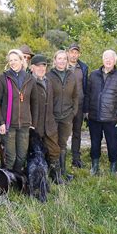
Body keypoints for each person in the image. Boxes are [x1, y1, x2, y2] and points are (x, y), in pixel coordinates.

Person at [84, 50, 117, 175]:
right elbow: (87, 94)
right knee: (95, 144)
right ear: (102, 60)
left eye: (111, 58)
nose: (108, 60)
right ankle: (95, 166)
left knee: (113, 145)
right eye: (106, 58)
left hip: (112, 118)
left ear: (115, 60)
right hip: (94, 117)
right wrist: (86, 111)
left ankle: (113, 168)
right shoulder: (93, 75)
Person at [0, 49, 38, 172]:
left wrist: (33, 123)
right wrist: (1, 122)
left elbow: (34, 103)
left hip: (24, 125)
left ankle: (16, 180)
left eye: (15, 60)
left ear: (22, 61)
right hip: (8, 125)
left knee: (22, 156)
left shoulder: (30, 79)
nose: (13, 62)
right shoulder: (3, 78)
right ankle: (7, 182)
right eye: (10, 60)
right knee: (10, 157)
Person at [30, 54, 63, 184]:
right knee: (36, 153)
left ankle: (56, 177)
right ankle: (38, 180)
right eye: (38, 66)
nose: (41, 68)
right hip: (35, 125)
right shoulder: (29, 81)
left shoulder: (49, 81)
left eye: (43, 66)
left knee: (54, 150)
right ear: (32, 67)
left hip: (49, 123)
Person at [47, 50, 78, 181]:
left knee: (63, 144)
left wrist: (73, 112)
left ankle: (63, 172)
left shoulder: (71, 75)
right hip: (52, 117)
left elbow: (76, 96)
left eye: (64, 59)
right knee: (53, 145)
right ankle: (54, 173)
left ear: (67, 60)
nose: (62, 61)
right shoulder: (49, 76)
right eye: (59, 58)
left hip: (67, 116)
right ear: (55, 60)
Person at [67, 43, 89, 168]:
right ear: (68, 53)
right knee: (63, 133)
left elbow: (86, 89)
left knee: (77, 132)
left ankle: (76, 158)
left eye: (76, 52)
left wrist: (86, 108)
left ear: (79, 54)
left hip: (79, 105)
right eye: (72, 52)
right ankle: (60, 158)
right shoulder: (62, 66)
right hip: (65, 106)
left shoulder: (84, 67)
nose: (74, 55)